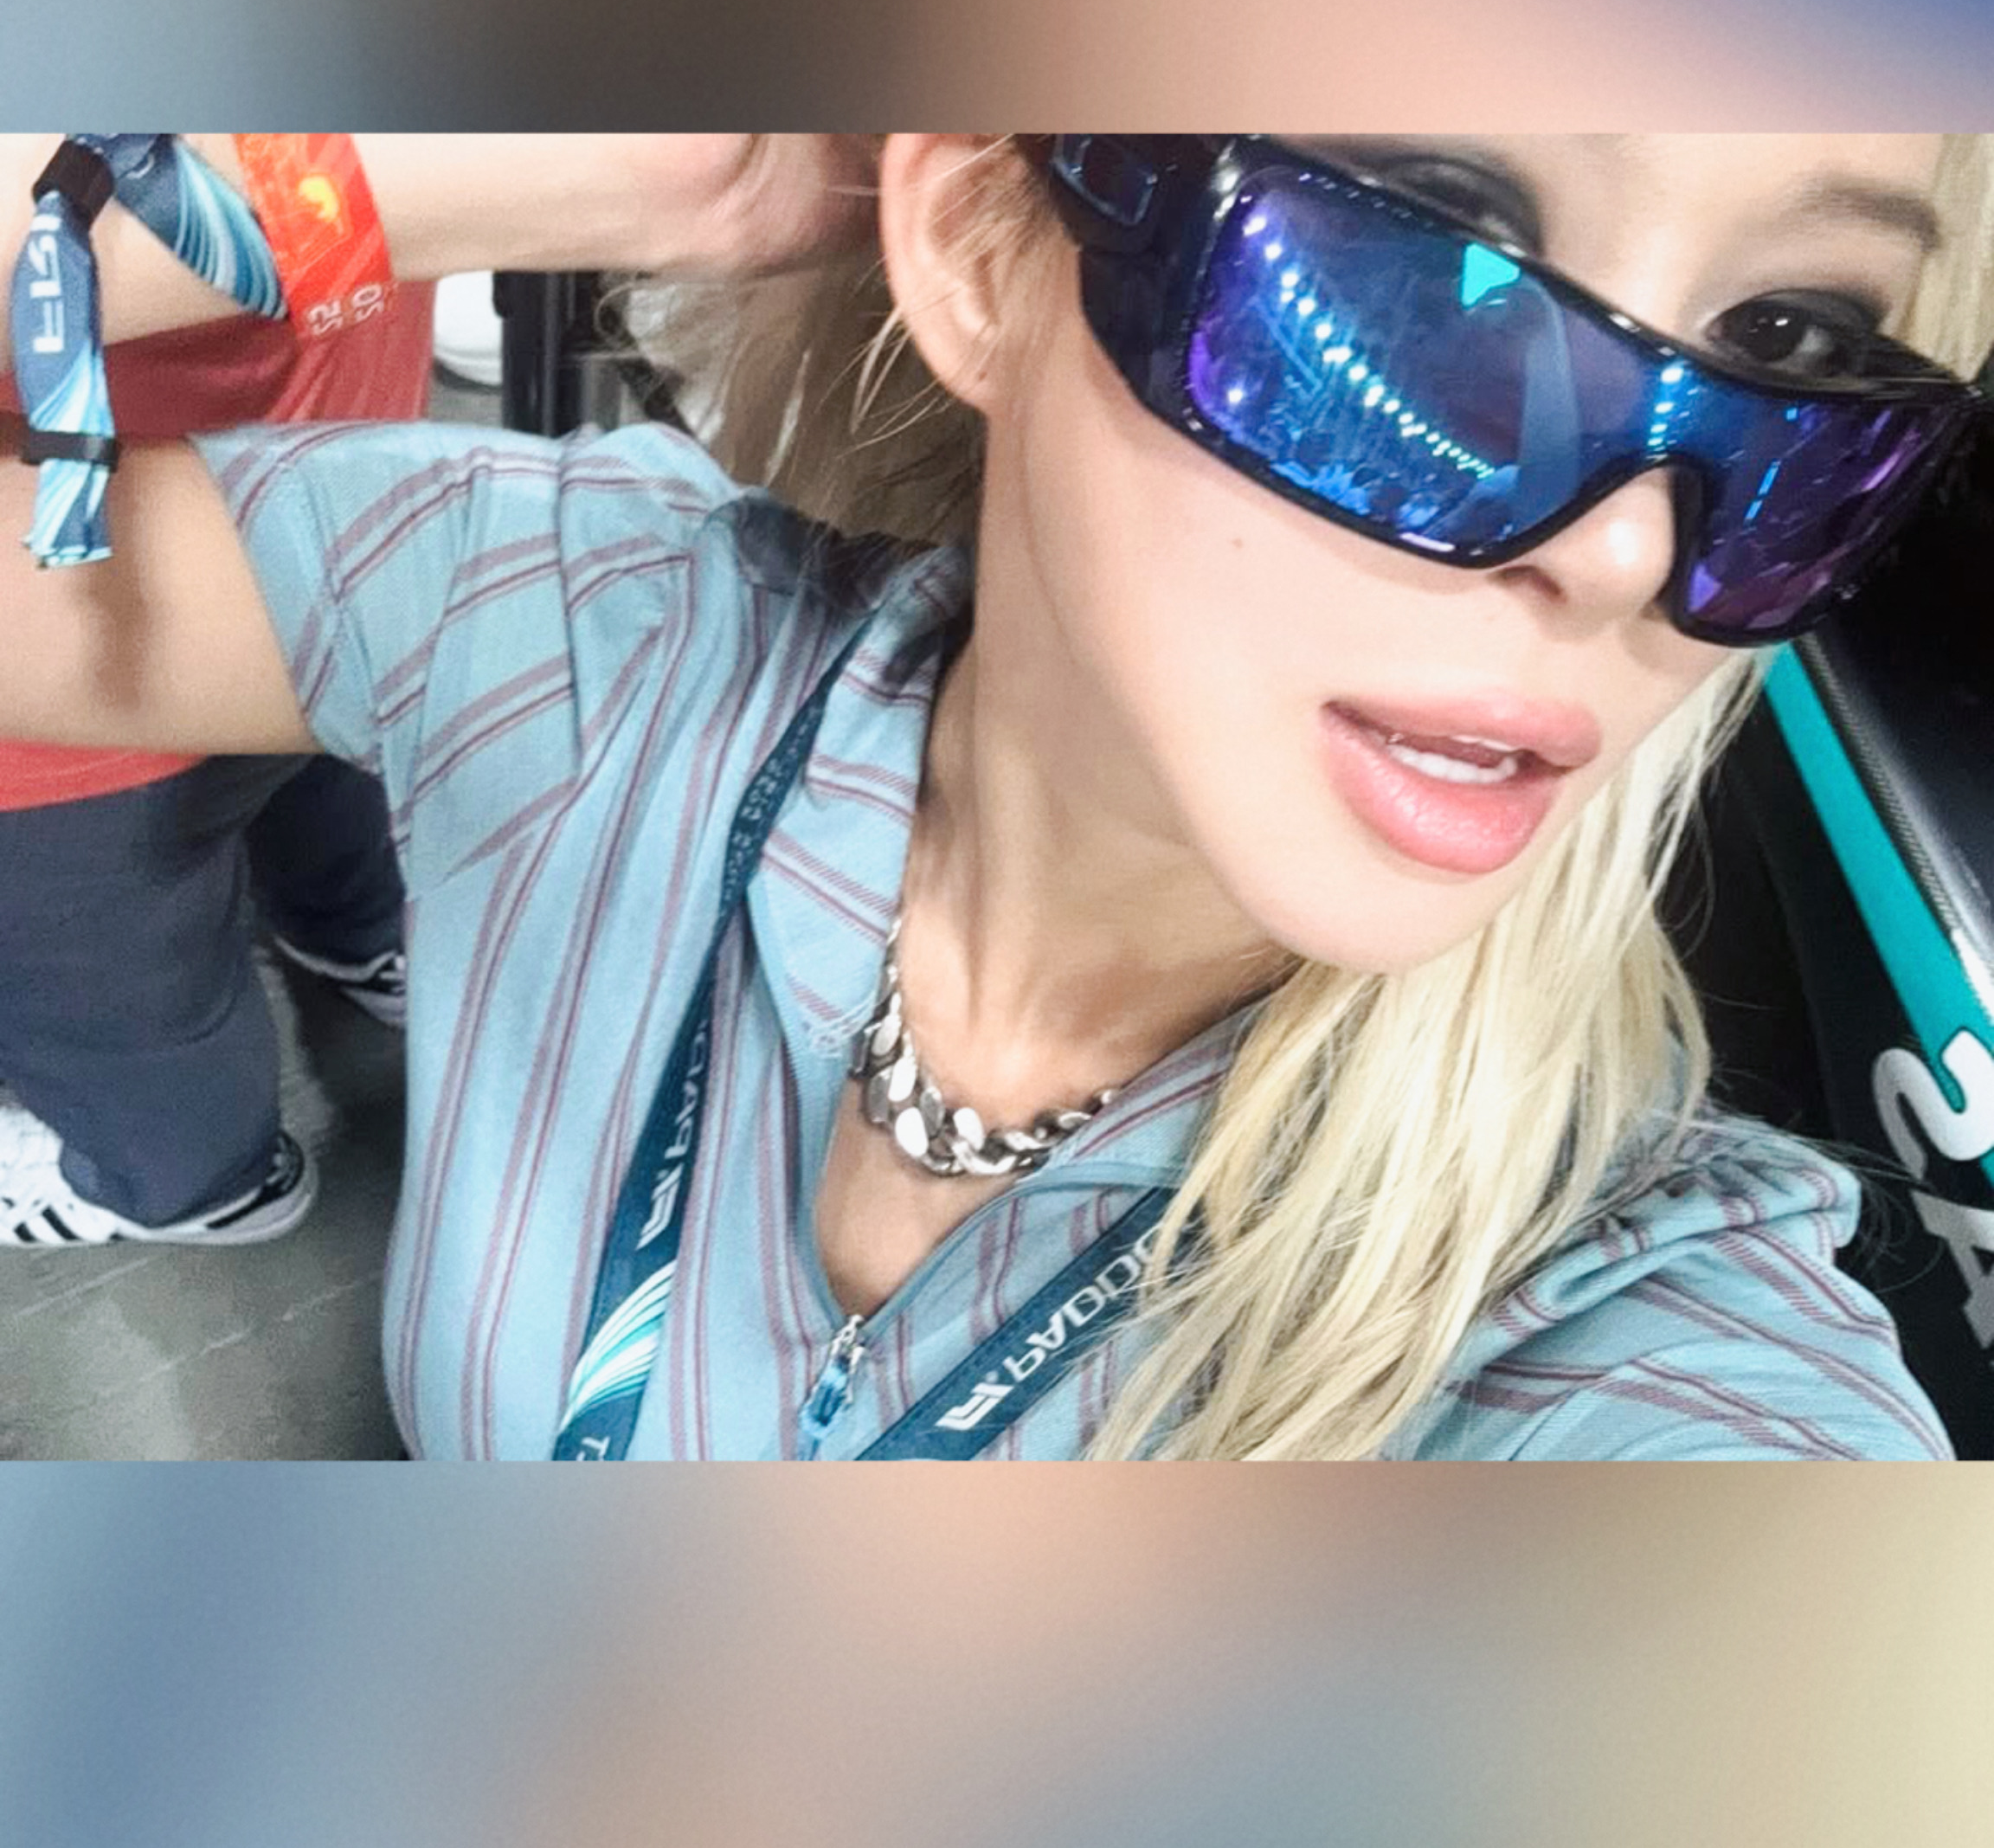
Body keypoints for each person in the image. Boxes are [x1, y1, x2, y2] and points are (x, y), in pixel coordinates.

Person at [3, 128, 1988, 1459]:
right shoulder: (591, 633)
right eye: (1431, 274)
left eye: (1796, 345)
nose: (1632, 550)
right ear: (976, 250)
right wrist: (482, 169)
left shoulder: (1633, 1331)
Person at [0, 190, 435, 1250]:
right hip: (337, 508)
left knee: (113, 998)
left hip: (68, 675)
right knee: (328, 767)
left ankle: (184, 1179)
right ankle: (368, 943)